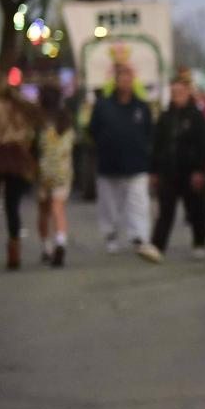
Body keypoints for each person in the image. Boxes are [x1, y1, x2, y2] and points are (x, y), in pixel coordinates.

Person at [88, 63, 160, 263]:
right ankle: (111, 234)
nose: (126, 81)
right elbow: (92, 130)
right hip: (110, 165)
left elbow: (149, 133)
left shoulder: (141, 106)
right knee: (109, 204)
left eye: (129, 78)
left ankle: (140, 236)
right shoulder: (103, 105)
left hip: (136, 164)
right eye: (122, 77)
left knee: (139, 202)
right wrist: (104, 144)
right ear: (116, 81)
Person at [150, 72, 205, 259]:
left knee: (196, 209)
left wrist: (200, 169)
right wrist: (154, 171)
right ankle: (157, 245)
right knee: (165, 211)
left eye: (180, 92)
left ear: (187, 92)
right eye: (174, 92)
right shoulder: (165, 117)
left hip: (191, 171)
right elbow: (157, 144)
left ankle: (199, 241)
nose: (177, 96)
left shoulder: (196, 117)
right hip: (169, 171)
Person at [35, 84, 74, 267]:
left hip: (42, 172)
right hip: (62, 171)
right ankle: (61, 242)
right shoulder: (66, 120)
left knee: (43, 210)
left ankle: (46, 247)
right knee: (58, 208)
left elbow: (32, 146)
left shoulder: (39, 121)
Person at [0, 81, 37, 269]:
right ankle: (14, 251)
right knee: (12, 206)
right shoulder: (22, 108)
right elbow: (31, 133)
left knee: (9, 205)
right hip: (17, 158)